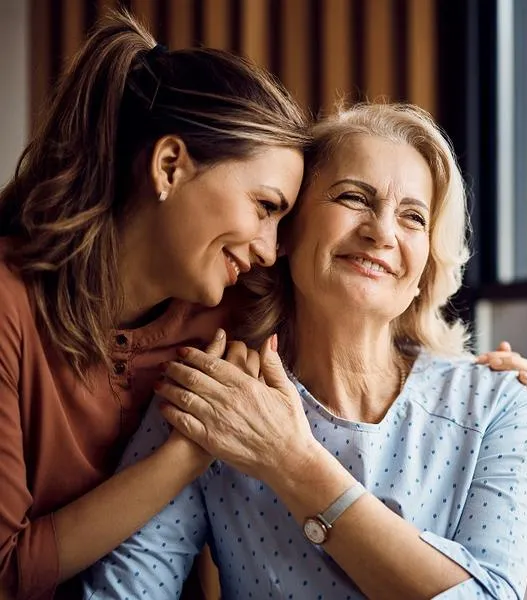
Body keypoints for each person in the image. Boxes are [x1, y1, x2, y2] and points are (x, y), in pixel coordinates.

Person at [83, 104, 527, 599]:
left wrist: (292, 461)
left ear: (426, 267)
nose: (382, 232)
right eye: (353, 197)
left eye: (413, 217)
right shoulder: (215, 396)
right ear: (286, 232)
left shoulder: (498, 403)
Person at [0, 11, 308, 599]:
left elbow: (367, 350)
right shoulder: (8, 305)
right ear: (170, 166)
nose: (270, 250)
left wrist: (492, 381)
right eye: (265, 207)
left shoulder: (236, 316)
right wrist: (187, 453)